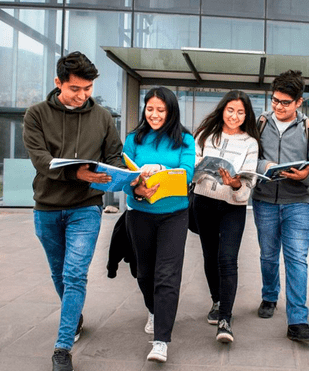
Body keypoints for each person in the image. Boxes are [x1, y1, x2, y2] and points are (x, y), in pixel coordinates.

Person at [23, 51, 124, 371]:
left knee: (74, 273)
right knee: (58, 273)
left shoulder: (103, 117)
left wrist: (121, 176)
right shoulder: (36, 114)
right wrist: (74, 173)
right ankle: (74, 313)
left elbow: (116, 157)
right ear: (58, 83)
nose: (82, 96)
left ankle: (62, 347)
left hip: (86, 207)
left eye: (88, 89)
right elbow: (40, 158)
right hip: (47, 208)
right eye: (75, 89)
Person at [252, 70, 309, 342]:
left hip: (297, 203)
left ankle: (297, 321)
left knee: (296, 259)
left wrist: (304, 176)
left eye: (285, 102)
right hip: (264, 201)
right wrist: (266, 166)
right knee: (268, 256)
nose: (279, 107)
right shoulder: (259, 123)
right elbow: (250, 158)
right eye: (275, 101)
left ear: (299, 102)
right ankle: (269, 296)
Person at [123, 86, 195, 363]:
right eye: (150, 109)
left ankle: (161, 340)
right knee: (144, 273)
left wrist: (163, 171)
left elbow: (188, 173)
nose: (154, 114)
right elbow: (124, 175)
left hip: (174, 215)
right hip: (139, 213)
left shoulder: (185, 140)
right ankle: (153, 310)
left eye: (160, 110)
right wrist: (136, 188)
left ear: (171, 111)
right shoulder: (134, 138)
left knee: (167, 275)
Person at [192, 90, 261, 343]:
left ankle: (225, 319)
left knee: (227, 259)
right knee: (210, 256)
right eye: (231, 110)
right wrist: (199, 171)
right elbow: (193, 168)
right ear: (222, 109)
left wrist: (234, 183)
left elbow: (249, 180)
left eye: (241, 112)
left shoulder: (251, 143)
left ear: (246, 115)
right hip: (204, 203)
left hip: (233, 206)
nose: (235, 116)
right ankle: (217, 301)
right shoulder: (204, 135)